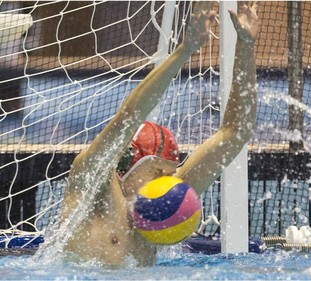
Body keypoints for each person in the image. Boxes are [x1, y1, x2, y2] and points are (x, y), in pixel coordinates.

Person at [60, 1, 259, 267]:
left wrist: (245, 47)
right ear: (128, 166)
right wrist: (186, 48)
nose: (171, 182)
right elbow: (127, 117)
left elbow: (235, 132)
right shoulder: (91, 181)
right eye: (159, 174)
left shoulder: (162, 202)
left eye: (169, 174)